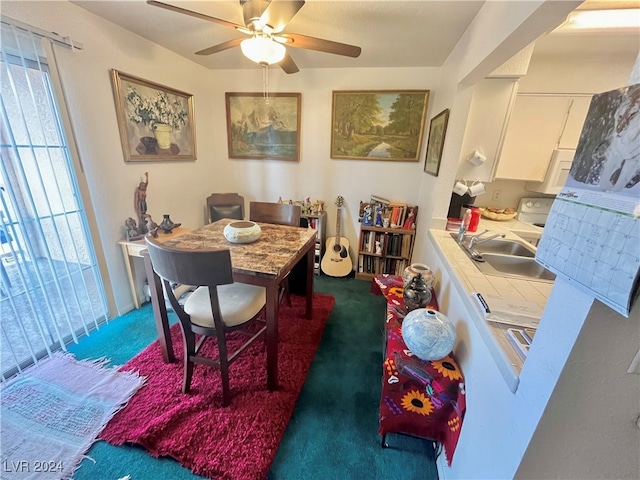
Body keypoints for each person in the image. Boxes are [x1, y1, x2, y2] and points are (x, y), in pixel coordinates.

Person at [598, 87, 640, 193]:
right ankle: (603, 186)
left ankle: (617, 191)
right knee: (614, 157)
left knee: (631, 161)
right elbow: (618, 116)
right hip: (622, 139)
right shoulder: (627, 104)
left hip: (635, 140)